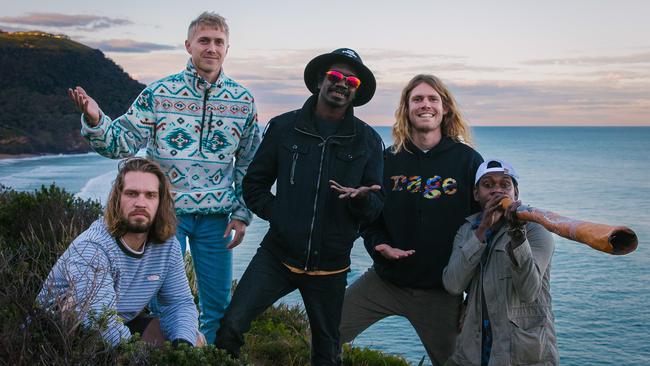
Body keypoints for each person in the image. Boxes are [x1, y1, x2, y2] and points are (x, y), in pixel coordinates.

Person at [67, 12, 260, 343]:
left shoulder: (243, 101)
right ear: (188, 45)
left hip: (216, 219)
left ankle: (203, 359)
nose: (211, 48)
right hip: (166, 215)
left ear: (227, 49)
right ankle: (165, 356)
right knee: (161, 303)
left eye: (218, 42)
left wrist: (242, 215)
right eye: (204, 41)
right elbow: (122, 142)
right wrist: (96, 118)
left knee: (218, 305)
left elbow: (248, 164)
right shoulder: (159, 93)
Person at [214, 48, 384, 365]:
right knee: (231, 327)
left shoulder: (369, 141)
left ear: (356, 90)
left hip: (330, 268)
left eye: (351, 80)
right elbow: (253, 186)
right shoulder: (283, 128)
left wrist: (363, 201)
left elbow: (376, 207)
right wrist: (282, 216)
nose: (342, 83)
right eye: (335, 76)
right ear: (320, 81)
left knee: (327, 352)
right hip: (276, 257)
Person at [339, 74, 483, 365]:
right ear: (406, 108)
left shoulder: (467, 161)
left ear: (445, 109)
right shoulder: (388, 159)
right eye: (417, 99)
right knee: (324, 333)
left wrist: (473, 298)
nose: (425, 105)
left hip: (440, 292)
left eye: (432, 99)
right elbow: (371, 218)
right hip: (384, 281)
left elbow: (481, 232)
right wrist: (379, 245)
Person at [38, 158, 202, 347]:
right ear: (117, 199)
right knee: (75, 308)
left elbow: (179, 303)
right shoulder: (92, 247)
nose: (141, 203)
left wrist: (182, 346)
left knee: (194, 339)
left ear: (160, 203)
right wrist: (141, 358)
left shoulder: (167, 245)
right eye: (132, 194)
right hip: (54, 335)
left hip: (119, 324)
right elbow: (100, 323)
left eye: (150, 195)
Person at [442, 159, 558, 366]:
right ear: (477, 194)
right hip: (473, 351)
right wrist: (481, 231)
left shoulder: (535, 229)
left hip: (521, 354)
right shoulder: (466, 231)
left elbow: (528, 291)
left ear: (516, 193)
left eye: (505, 184)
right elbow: (453, 284)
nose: (497, 190)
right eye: (488, 185)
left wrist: (517, 235)